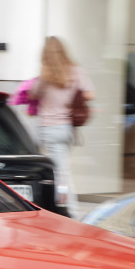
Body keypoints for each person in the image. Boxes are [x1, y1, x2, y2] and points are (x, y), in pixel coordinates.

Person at [30, 36, 94, 213]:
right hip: (66, 129)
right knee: (60, 170)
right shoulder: (76, 71)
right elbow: (90, 94)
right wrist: (71, 100)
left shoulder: (45, 75)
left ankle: (70, 211)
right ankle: (57, 206)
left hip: (48, 128)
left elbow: (33, 94)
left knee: (58, 172)